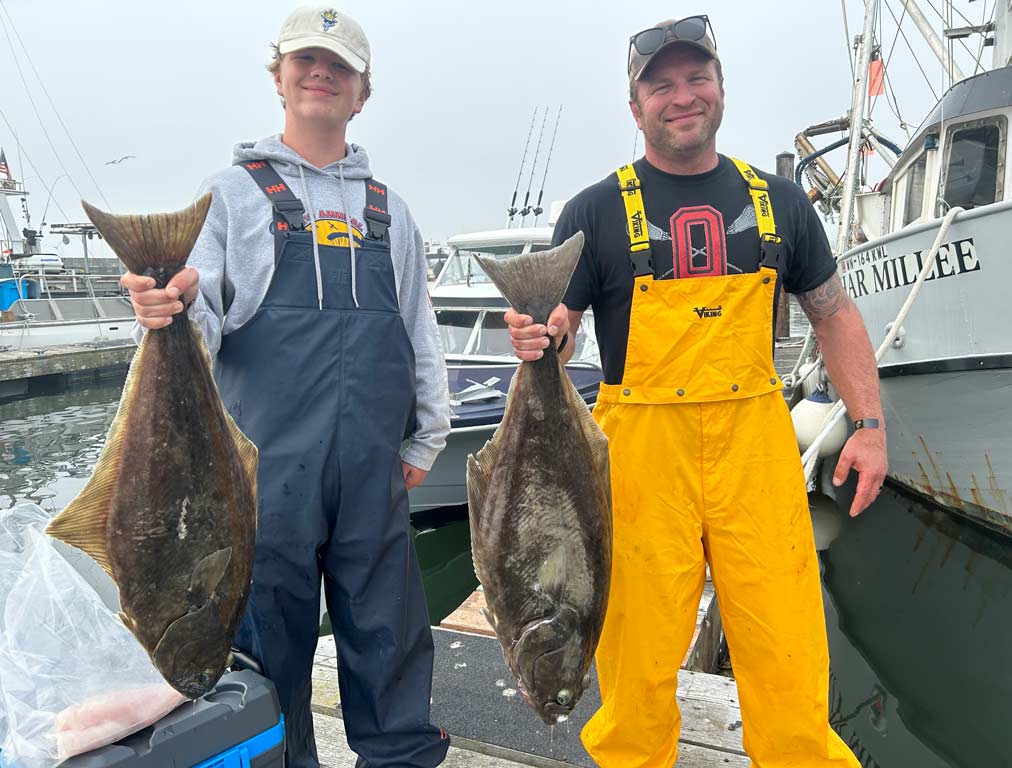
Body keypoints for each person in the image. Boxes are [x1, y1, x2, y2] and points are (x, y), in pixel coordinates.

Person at [505, 16, 887, 768]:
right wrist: (543, 336)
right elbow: (564, 324)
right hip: (641, 456)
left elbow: (835, 313)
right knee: (635, 656)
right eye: (661, 85)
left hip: (756, 448)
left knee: (787, 648)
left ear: (719, 88)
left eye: (696, 78)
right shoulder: (593, 211)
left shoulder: (781, 203)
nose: (682, 96)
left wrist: (869, 425)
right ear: (635, 104)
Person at [122, 7, 450, 768]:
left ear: (362, 92)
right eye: (305, 60)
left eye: (339, 65)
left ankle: (399, 755)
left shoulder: (390, 212)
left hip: (373, 467)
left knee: (390, 635)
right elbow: (197, 325)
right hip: (261, 476)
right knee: (267, 644)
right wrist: (162, 310)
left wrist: (428, 436)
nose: (320, 74)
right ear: (278, 77)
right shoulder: (231, 195)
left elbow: (417, 331)